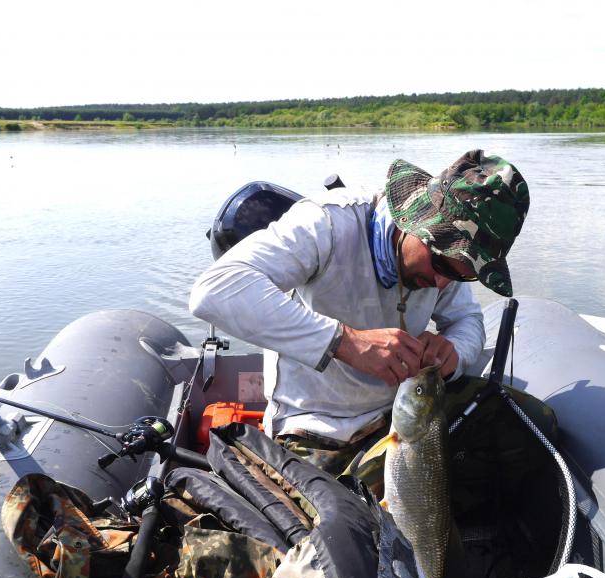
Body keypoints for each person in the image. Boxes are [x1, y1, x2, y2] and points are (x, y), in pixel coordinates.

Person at [189, 149, 530, 474]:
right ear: (416, 221)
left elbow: (467, 320)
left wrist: (454, 351)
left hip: (406, 415)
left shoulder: (447, 263)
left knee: (522, 428)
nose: (442, 283)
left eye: (463, 274)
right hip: (317, 429)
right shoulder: (326, 223)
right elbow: (213, 291)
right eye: (441, 264)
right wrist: (345, 342)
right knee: (344, 515)